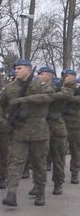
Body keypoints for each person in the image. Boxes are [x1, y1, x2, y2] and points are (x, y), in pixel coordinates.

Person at [0, 59, 53, 208]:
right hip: (18, 131)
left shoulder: (39, 85)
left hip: (38, 131)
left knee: (39, 164)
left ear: (28, 70)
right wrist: (2, 121)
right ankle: (11, 194)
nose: (16, 70)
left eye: (19, 68)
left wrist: (25, 99)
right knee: (15, 163)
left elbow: (49, 97)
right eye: (15, 68)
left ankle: (40, 192)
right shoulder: (9, 88)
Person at [38, 67, 71, 195]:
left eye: (42, 73)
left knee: (58, 158)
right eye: (39, 74)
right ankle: (38, 185)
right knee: (39, 158)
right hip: (41, 126)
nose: (40, 75)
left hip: (56, 126)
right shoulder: (36, 87)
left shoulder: (58, 87)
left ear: (50, 75)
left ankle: (58, 183)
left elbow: (66, 95)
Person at [61, 69, 80, 184]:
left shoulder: (77, 88)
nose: (65, 78)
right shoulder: (61, 86)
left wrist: (67, 97)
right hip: (61, 121)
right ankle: (59, 174)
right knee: (60, 150)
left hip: (74, 123)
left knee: (75, 150)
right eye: (64, 76)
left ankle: (74, 173)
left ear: (73, 76)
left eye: (67, 76)